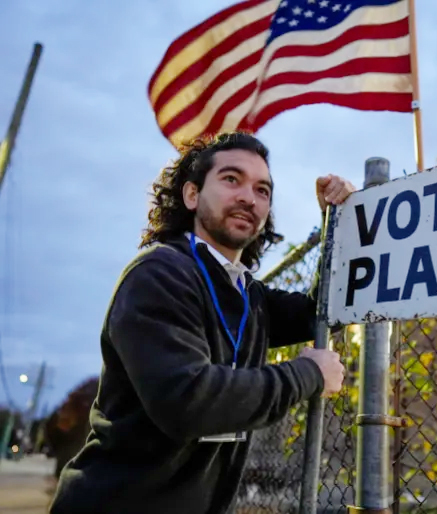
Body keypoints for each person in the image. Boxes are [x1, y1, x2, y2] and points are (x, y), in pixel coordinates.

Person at [49, 132, 354, 514]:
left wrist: (337, 224)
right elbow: (187, 400)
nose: (248, 196)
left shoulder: (247, 294)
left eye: (262, 189)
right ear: (192, 195)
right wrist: (307, 374)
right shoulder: (158, 274)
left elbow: (322, 310)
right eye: (231, 179)